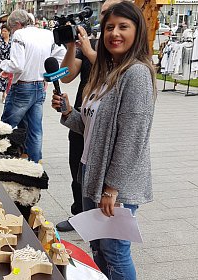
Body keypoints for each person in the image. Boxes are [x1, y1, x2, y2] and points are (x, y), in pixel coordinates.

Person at [52, 2, 156, 278]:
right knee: (99, 248)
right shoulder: (106, 72)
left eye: (123, 27)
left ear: (138, 32)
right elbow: (91, 127)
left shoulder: (136, 74)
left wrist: (112, 189)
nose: (114, 33)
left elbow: (132, 139)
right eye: (110, 27)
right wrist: (69, 112)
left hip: (114, 184)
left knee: (115, 253)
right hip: (92, 173)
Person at [56, 0, 124, 232]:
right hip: (81, 117)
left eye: (110, 13)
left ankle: (102, 218)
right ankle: (80, 213)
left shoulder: (121, 47)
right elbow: (66, 76)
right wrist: (71, 47)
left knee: (102, 171)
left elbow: (115, 70)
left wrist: (87, 50)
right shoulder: (92, 43)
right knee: (77, 167)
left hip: (106, 123)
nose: (105, 17)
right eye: (103, 13)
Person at [0, 9, 66, 163]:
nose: (12, 33)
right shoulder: (47, 34)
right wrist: (44, 72)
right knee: (35, 129)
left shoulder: (20, 35)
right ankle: (35, 163)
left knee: (6, 125)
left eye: (12, 29)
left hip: (23, 87)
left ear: (17, 24)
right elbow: (61, 54)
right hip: (40, 86)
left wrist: (0, 63)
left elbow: (17, 65)